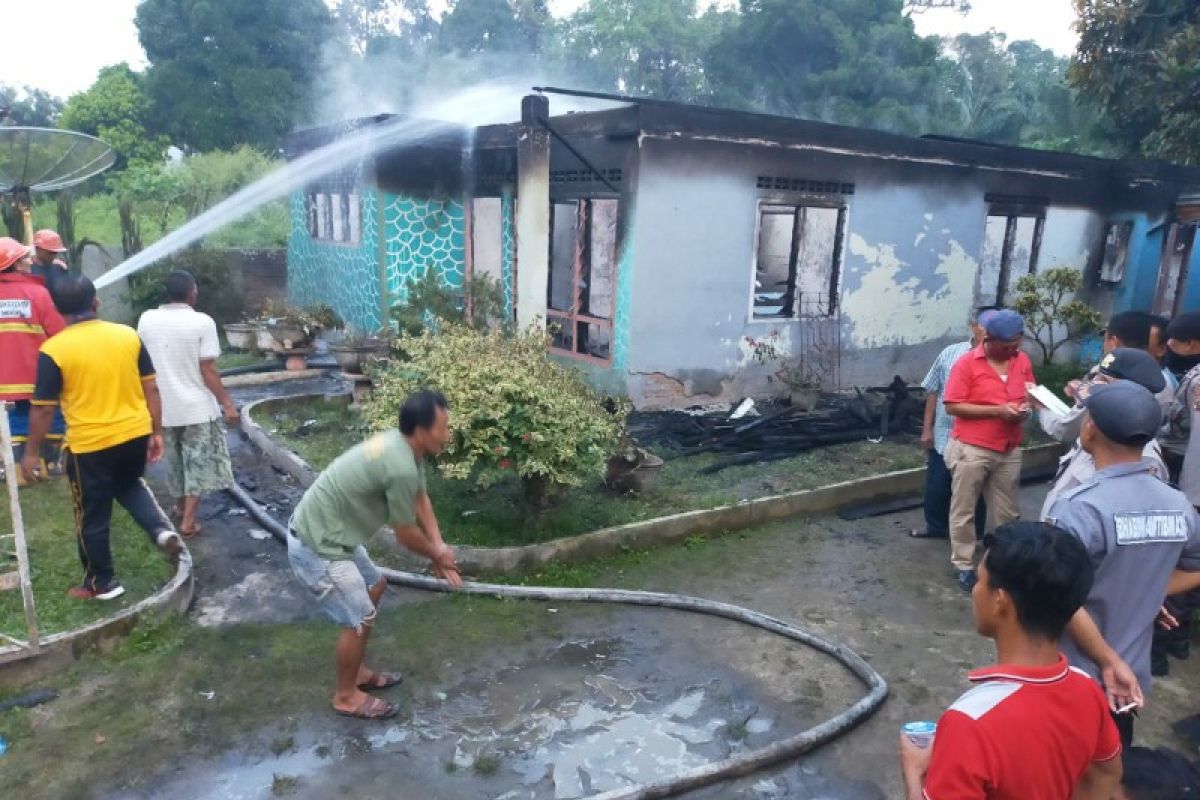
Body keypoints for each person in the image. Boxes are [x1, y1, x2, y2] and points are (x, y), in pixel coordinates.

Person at [899, 521, 1122, 799]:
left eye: (980, 581)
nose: (974, 591)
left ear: (1000, 601)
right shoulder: (1087, 689)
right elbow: (1106, 773)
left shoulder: (968, 723)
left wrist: (914, 771)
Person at [287, 389, 462, 720]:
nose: (447, 434)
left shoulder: (406, 449)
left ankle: (358, 673)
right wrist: (435, 556)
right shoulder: (399, 465)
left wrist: (439, 547)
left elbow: (420, 498)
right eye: (443, 427)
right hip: (317, 544)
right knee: (359, 616)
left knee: (375, 585)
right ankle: (345, 695)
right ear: (422, 430)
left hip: (336, 536)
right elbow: (405, 533)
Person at [1046, 382, 1200, 750]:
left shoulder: (1080, 507)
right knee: (1112, 769)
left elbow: (1058, 597)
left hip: (1072, 678)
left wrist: (1106, 658)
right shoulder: (1177, 504)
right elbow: (1194, 567)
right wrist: (1147, 590)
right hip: (1127, 682)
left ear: (1090, 429)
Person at [19, 274, 182, 600]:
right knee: (128, 484)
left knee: (91, 512)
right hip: (134, 432)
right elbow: (151, 387)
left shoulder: (53, 350)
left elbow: (41, 410)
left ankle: (101, 583)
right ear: (96, 302)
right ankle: (161, 530)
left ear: (57, 309)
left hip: (90, 445)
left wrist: (31, 452)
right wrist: (156, 431)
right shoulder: (128, 335)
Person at [137, 270, 238, 538]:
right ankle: (188, 522)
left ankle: (180, 508)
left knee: (175, 461)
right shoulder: (202, 322)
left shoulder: (146, 320)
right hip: (196, 409)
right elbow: (208, 370)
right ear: (192, 292)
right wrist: (227, 403)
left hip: (162, 408)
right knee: (196, 464)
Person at [942, 308, 1036, 592]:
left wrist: (1027, 407)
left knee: (1007, 512)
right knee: (964, 508)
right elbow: (952, 404)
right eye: (1007, 346)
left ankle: (1000, 562)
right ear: (989, 340)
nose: (1013, 351)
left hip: (1009, 448)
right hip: (973, 448)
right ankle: (964, 564)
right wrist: (997, 411)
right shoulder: (966, 364)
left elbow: (1031, 390)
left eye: (1017, 346)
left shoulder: (1021, 361)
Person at [1038, 348, 1168, 520]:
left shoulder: (1144, 458)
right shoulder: (1101, 430)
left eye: (1103, 381)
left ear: (1132, 393)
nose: (1092, 384)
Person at [911, 306, 993, 540]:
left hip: (977, 440)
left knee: (974, 490)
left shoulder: (1000, 360)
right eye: (984, 325)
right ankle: (935, 526)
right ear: (973, 326)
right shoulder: (951, 353)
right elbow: (933, 391)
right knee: (937, 486)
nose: (988, 332)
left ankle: (973, 535)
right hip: (944, 434)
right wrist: (927, 429)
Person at [0, 237, 65, 484]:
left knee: (13, 421)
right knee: (51, 414)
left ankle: (17, 471)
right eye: (25, 258)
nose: (30, 261)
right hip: (37, 374)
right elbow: (58, 333)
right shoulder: (38, 293)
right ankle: (50, 464)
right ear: (15, 264)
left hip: (4, 379)